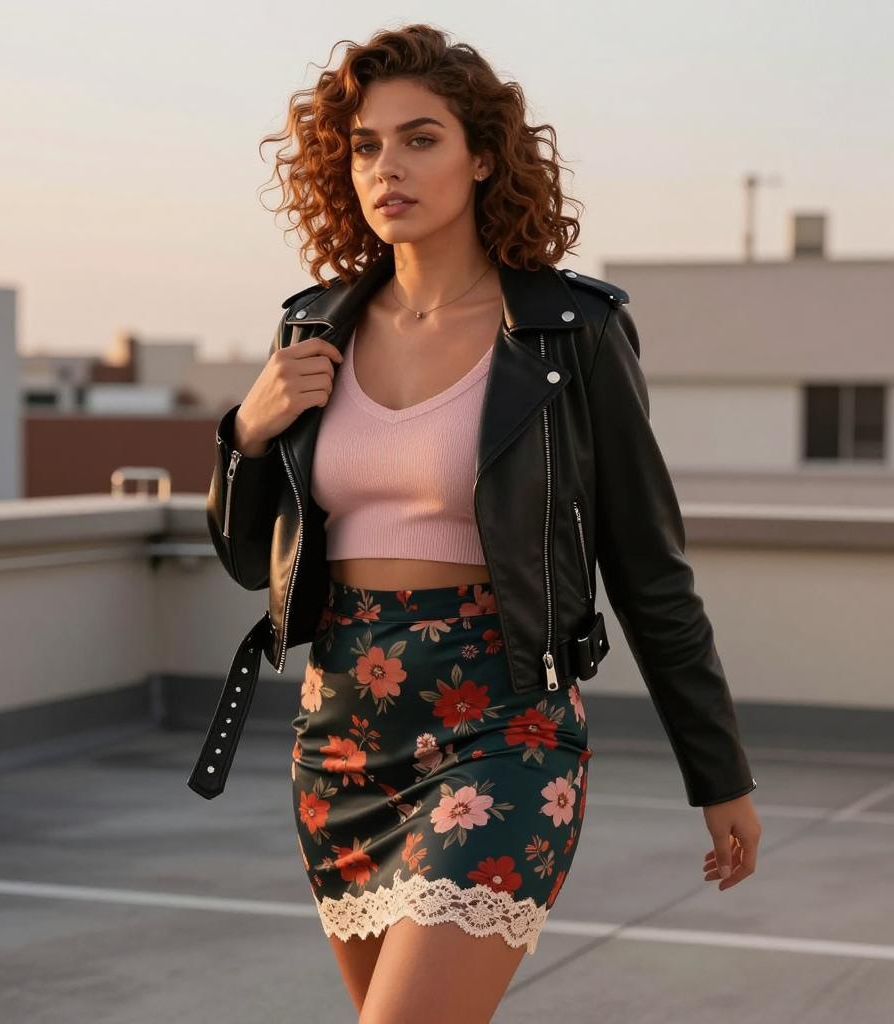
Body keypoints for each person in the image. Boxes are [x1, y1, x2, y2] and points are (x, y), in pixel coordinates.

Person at [204, 23, 762, 1024]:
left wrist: (717, 774)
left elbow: (649, 568)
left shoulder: (570, 333)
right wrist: (247, 429)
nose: (387, 167)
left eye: (420, 139)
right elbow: (251, 559)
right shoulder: (312, 329)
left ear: (483, 158)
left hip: (504, 721)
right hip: (341, 733)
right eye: (366, 147)